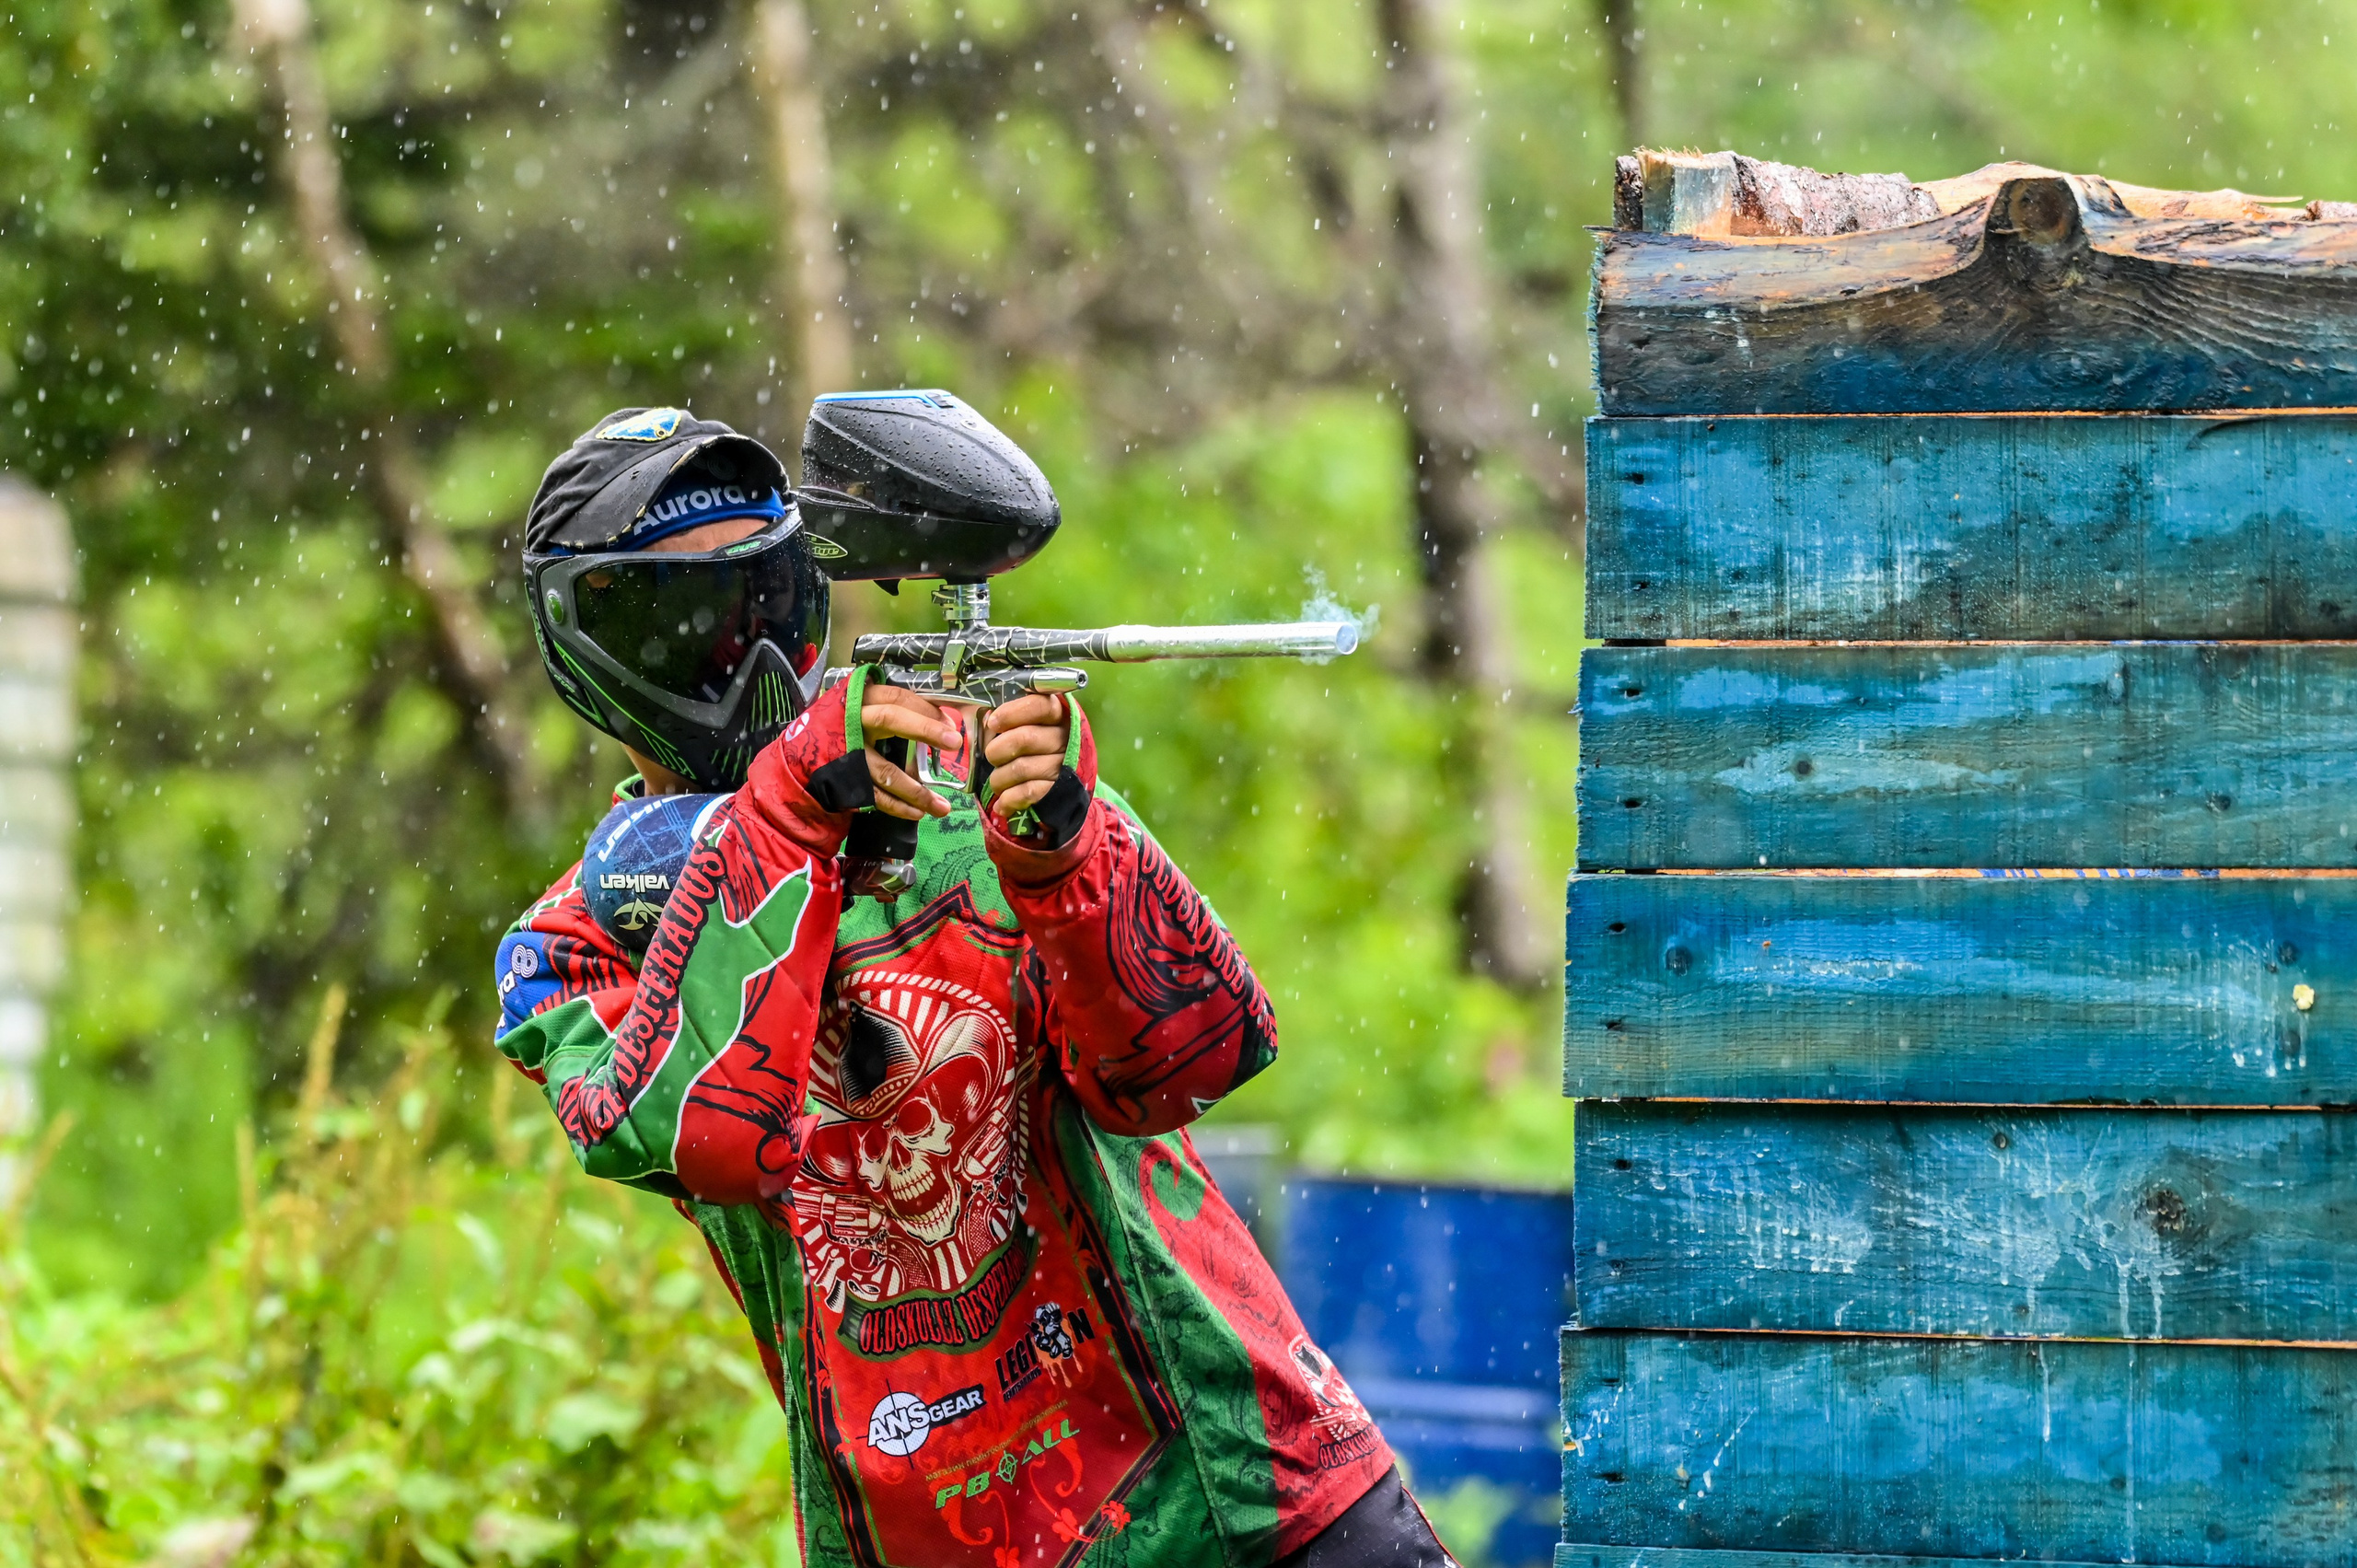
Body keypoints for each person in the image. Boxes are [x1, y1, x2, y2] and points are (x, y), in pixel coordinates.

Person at [492, 405, 1454, 1568]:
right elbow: (707, 1138)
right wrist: (788, 818)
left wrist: (1066, 856)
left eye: (765, 606)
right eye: (686, 624)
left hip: (1244, 1496)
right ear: (582, 646)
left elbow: (1198, 1055)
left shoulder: (952, 773)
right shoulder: (574, 945)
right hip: (943, 1536)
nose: (740, 660)